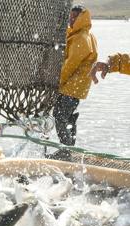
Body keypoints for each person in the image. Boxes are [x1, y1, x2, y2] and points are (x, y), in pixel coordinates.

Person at [46, 5, 98, 161]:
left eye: (75, 17)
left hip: (71, 86)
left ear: (82, 18)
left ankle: (66, 151)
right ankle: (70, 148)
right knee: (69, 117)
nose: (71, 19)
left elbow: (70, 65)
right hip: (76, 87)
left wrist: (56, 83)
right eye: (70, 16)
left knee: (59, 116)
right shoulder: (85, 35)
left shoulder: (81, 38)